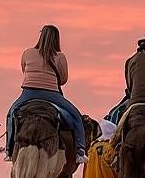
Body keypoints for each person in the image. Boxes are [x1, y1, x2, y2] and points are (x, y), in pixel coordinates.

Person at [6, 25, 87, 163]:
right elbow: (63, 79)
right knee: (76, 116)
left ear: (41, 36)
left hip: (28, 93)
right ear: (57, 39)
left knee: (11, 114)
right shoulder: (60, 57)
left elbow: (24, 69)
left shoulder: (27, 53)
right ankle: (80, 151)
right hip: (51, 94)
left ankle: (9, 149)